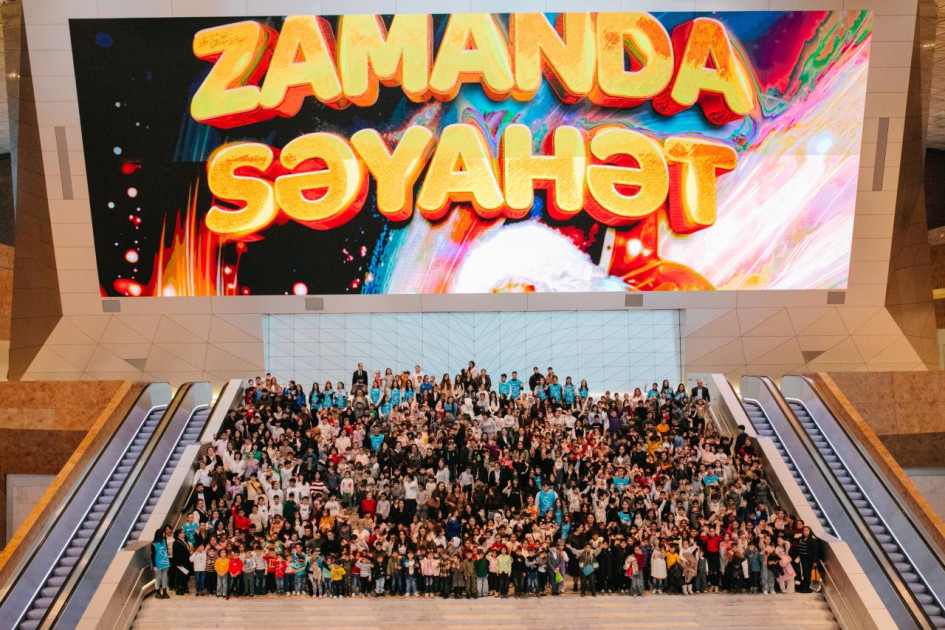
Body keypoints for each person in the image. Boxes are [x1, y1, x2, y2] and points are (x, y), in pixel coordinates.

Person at [151, 528, 171, 600]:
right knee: (158, 578)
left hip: (165, 562)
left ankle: (165, 592)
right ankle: (157, 592)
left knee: (165, 577)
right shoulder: (154, 544)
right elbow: (152, 556)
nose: (164, 535)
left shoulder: (164, 540)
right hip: (158, 564)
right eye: (163, 533)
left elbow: (166, 550)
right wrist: (154, 566)